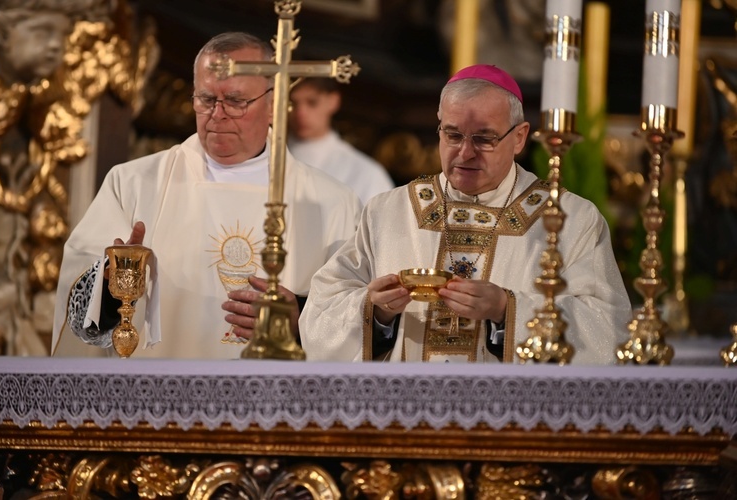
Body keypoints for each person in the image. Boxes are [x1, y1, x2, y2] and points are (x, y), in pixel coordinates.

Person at [50, 32, 361, 359]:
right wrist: (112, 283)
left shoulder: (332, 203)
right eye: (206, 99)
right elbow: (80, 320)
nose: (218, 114)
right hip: (158, 399)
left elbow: (355, 319)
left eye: (236, 101)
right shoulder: (133, 184)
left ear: (273, 105)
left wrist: (299, 318)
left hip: (276, 400)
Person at [299, 64, 631, 364]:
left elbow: (606, 328)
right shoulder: (388, 212)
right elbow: (321, 314)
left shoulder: (569, 219)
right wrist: (376, 311)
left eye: (484, 139)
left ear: (519, 138)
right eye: (453, 134)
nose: (465, 152)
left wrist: (506, 309)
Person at [288, 77, 395, 205]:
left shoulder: (366, 174)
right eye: (291, 103)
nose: (301, 113)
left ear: (333, 101)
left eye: (312, 103)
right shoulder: (267, 157)